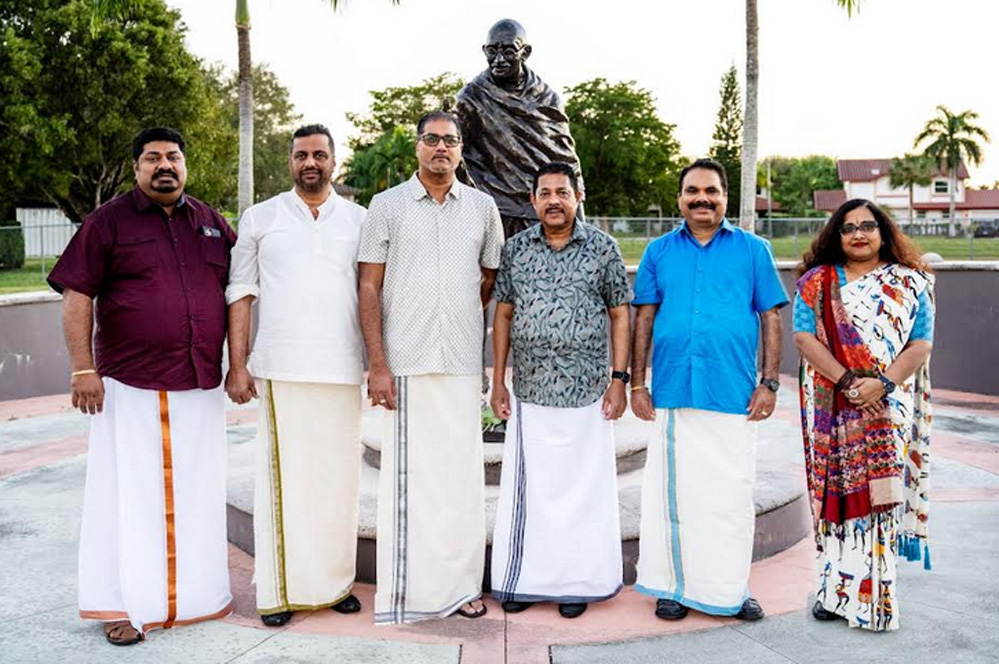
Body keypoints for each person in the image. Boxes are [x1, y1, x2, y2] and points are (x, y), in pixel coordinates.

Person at [47, 127, 235, 645]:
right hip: (128, 385)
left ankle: (195, 598)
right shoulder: (107, 221)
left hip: (198, 383)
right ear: (136, 168)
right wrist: (82, 369)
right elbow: (76, 293)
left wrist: (239, 364)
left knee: (196, 496)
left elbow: (239, 291)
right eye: (152, 158)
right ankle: (119, 604)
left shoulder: (211, 224)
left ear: (185, 165)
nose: (164, 165)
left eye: (173, 156)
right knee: (123, 496)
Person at [357, 111, 505, 624]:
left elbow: (488, 279)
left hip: (461, 363)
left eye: (451, 140)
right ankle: (411, 591)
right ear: (417, 146)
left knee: (460, 479)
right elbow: (369, 286)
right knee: (409, 482)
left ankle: (461, 588)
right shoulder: (386, 205)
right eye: (432, 139)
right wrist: (378, 364)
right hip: (405, 363)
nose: (441, 148)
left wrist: (458, 315)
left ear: (461, 149)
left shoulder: (483, 208)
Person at [630, 158, 788, 622]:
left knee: (730, 497)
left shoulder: (753, 250)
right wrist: (637, 383)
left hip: (733, 392)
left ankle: (730, 589)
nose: (702, 199)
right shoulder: (659, 251)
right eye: (693, 191)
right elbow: (644, 317)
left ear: (725, 197)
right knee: (673, 497)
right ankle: (671, 587)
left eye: (711, 191)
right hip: (674, 390)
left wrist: (770, 382)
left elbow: (771, 317)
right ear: (680, 199)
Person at [225, 124, 367, 627]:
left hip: (343, 368)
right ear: (290, 162)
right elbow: (241, 292)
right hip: (282, 368)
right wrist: (237, 364)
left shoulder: (360, 219)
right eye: (301, 155)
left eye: (319, 155)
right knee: (283, 485)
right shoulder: (261, 217)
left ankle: (335, 585)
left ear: (334, 161)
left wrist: (380, 364)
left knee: (338, 483)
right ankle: (280, 592)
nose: (310, 163)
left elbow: (373, 295)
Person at [489, 162, 631, 619]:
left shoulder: (603, 249)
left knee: (582, 492)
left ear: (577, 197)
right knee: (531, 491)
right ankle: (525, 581)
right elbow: (504, 313)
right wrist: (498, 380)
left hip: (588, 392)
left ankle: (577, 583)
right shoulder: (516, 250)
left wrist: (619, 379)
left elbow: (620, 314)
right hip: (530, 390)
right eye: (545, 193)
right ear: (533, 201)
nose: (554, 200)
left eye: (562, 192)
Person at [793, 199, 933, 632]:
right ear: (836, 235)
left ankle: (877, 596)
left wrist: (882, 385)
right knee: (834, 493)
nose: (858, 234)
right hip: (831, 403)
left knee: (880, 497)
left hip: (888, 406)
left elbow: (920, 343)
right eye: (848, 227)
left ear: (883, 232)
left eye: (868, 226)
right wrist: (849, 383)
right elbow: (803, 337)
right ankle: (832, 592)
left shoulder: (910, 282)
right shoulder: (816, 282)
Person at [455, 19, 585, 239]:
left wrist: (578, 217)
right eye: (492, 51)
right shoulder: (471, 98)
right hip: (494, 212)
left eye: (508, 51)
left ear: (525, 52)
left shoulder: (548, 99)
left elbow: (566, 160)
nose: (498, 60)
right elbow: (454, 158)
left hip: (541, 211)